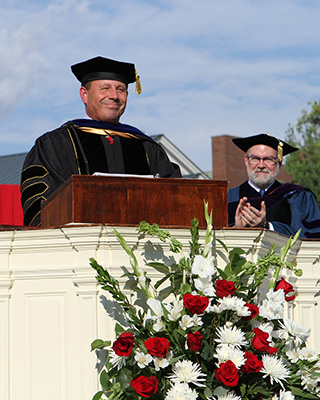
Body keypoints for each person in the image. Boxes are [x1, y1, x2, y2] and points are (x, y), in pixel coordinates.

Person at [21, 56, 181, 226]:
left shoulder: (147, 147)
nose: (114, 96)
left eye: (120, 89)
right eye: (105, 88)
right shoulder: (56, 144)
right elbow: (40, 205)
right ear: (84, 94)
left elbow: (176, 197)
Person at [228, 133, 320, 239]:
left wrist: (268, 226)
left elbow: (310, 237)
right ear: (246, 160)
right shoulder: (227, 198)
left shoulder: (298, 197)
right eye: (255, 159)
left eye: (268, 160)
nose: (261, 165)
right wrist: (235, 229)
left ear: (279, 163)